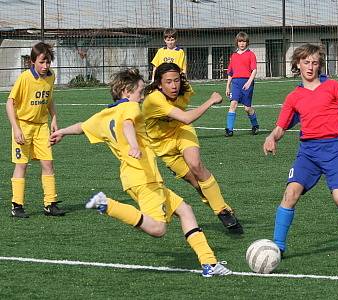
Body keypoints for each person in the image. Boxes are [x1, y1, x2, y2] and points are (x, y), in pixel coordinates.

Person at [50, 69, 231, 277]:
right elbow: (128, 123)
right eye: (139, 91)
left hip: (135, 178)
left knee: (185, 210)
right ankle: (106, 204)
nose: (142, 96)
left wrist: (62, 131)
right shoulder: (131, 107)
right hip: (144, 178)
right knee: (158, 229)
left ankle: (209, 263)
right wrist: (134, 144)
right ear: (127, 92)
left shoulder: (105, 114)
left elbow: (82, 127)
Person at [263, 43, 338, 255]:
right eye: (305, 62)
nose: (310, 67)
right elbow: (281, 127)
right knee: (290, 194)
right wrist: (271, 137)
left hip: (335, 149)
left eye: (314, 63)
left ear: (320, 65)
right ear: (297, 65)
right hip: (308, 153)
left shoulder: (333, 87)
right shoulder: (293, 97)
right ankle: (278, 247)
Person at [142, 62, 243, 234]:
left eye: (176, 80)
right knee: (197, 184)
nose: (174, 86)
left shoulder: (185, 89)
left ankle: (222, 212)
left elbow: (184, 121)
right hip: (163, 146)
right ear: (159, 83)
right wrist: (211, 100)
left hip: (181, 131)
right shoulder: (154, 100)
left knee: (196, 164)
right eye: (168, 82)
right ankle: (220, 206)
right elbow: (186, 117)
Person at [6, 42, 65, 218]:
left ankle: (50, 203)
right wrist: (16, 128)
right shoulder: (25, 78)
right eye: (41, 62)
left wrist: (54, 118)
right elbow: (10, 103)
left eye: (48, 62)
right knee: (22, 165)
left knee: (47, 163)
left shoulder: (50, 76)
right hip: (23, 126)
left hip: (41, 127)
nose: (45, 66)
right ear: (32, 61)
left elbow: (49, 98)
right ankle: (17, 206)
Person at [225, 31, 259, 137]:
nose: (242, 43)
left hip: (247, 83)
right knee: (233, 104)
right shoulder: (233, 56)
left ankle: (255, 125)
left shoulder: (251, 55)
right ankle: (229, 130)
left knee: (247, 108)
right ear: (237, 43)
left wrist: (249, 82)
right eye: (240, 41)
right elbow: (230, 73)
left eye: (244, 41)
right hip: (235, 83)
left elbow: (254, 70)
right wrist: (227, 86)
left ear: (247, 42)